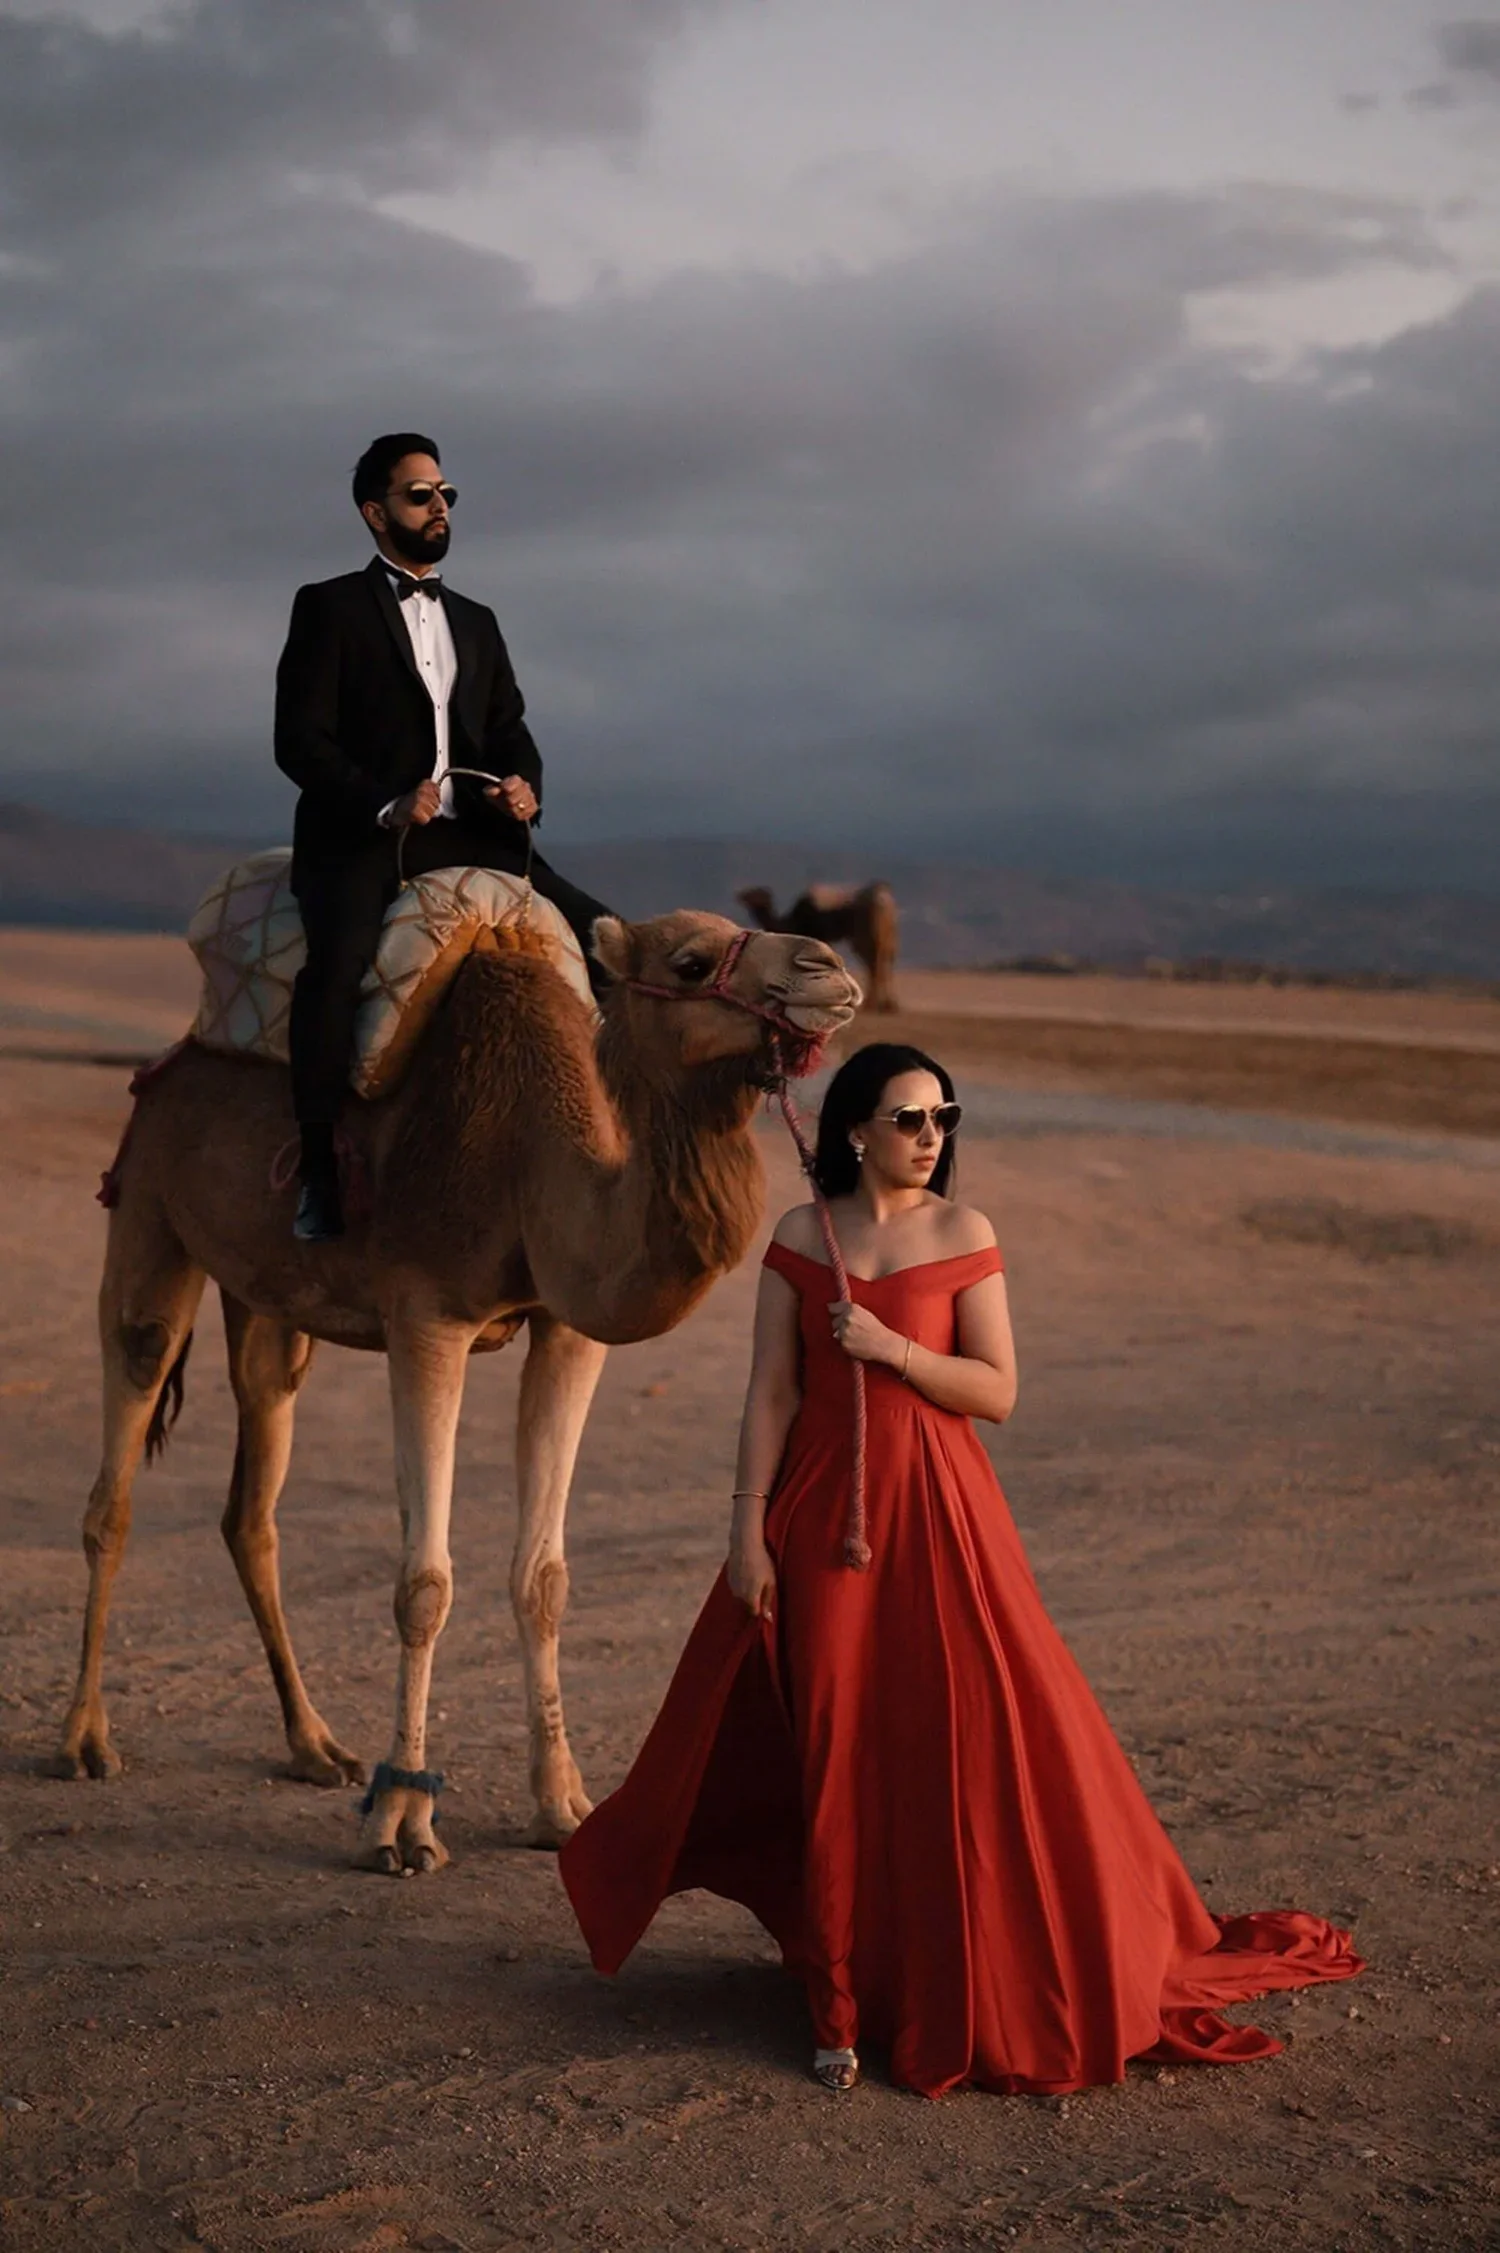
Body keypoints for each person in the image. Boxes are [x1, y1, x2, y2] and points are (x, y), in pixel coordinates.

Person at [560, 1043, 1362, 2096]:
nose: (933, 1135)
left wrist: (893, 1352)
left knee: (968, 1733)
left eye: (945, 1115)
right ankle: (846, 1998)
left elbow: (996, 1391)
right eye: (910, 1118)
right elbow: (769, 1396)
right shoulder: (803, 1236)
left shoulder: (964, 1232)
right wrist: (744, 1534)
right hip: (822, 1523)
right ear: (854, 1131)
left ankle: (959, 1968)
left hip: (942, 1514)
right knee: (842, 1744)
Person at [274, 431, 613, 1242]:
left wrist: (524, 785)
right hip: (362, 838)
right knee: (336, 968)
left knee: (606, 937)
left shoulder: (478, 620)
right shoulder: (328, 607)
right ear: (374, 511)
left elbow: (508, 730)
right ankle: (320, 1165)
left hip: (473, 837)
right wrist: (385, 805)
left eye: (446, 493)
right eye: (419, 494)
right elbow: (299, 741)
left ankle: (607, 1141)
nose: (439, 507)